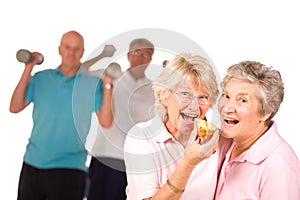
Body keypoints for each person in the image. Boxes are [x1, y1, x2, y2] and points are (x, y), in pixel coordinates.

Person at [10, 30, 114, 200]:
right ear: (60, 49)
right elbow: (14, 107)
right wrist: (28, 67)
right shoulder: (41, 78)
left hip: (70, 167)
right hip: (33, 163)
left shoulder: (93, 84)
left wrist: (109, 86)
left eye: (76, 49)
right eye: (67, 47)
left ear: (82, 51)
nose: (71, 53)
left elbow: (106, 122)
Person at [124, 53, 232, 200]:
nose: (194, 106)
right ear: (164, 96)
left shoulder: (219, 141)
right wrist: (188, 163)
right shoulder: (142, 136)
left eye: (203, 97)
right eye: (185, 94)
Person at [83, 38, 156, 200]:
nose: (141, 58)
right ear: (129, 55)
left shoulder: (154, 90)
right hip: (103, 155)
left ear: (150, 60)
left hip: (133, 162)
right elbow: (78, 70)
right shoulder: (110, 76)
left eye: (147, 54)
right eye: (137, 52)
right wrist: (102, 55)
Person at [215, 61, 300, 199]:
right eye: (226, 96)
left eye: (242, 100)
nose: (227, 108)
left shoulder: (279, 167)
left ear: (266, 112)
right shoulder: (226, 143)